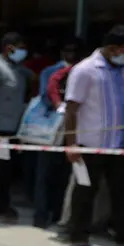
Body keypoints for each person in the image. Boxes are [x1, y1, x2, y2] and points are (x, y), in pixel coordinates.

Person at [63, 25, 124, 246]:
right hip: (90, 143)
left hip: (119, 143)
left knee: (121, 193)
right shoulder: (85, 70)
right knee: (85, 192)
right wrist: (71, 143)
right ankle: (78, 237)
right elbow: (71, 109)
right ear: (113, 48)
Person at [0, 32, 32, 223]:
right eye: (20, 47)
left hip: (13, 129)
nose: (23, 51)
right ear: (9, 47)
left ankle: (3, 204)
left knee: (7, 172)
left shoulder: (16, 68)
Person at [33, 39, 81, 229]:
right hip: (51, 129)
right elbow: (46, 96)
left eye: (75, 50)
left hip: (73, 130)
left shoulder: (82, 71)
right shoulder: (50, 72)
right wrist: (61, 106)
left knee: (63, 175)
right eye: (68, 49)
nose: (72, 53)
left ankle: (57, 213)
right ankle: (41, 216)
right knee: (44, 174)